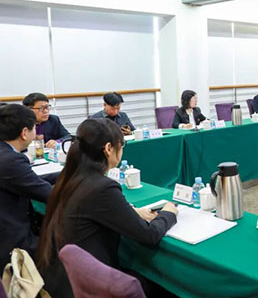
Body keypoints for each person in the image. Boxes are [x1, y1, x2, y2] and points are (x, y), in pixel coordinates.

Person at [37, 119, 178, 297]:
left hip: (62, 278)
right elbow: (148, 236)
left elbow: (95, 209)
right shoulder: (103, 187)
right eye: (122, 145)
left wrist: (130, 211)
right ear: (109, 148)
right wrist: (168, 213)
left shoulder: (71, 176)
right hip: (90, 284)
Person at [0, 104, 55, 265]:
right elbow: (48, 194)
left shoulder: (6, 154)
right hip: (12, 241)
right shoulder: (11, 160)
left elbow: (29, 180)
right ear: (24, 133)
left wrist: (66, 174)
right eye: (34, 128)